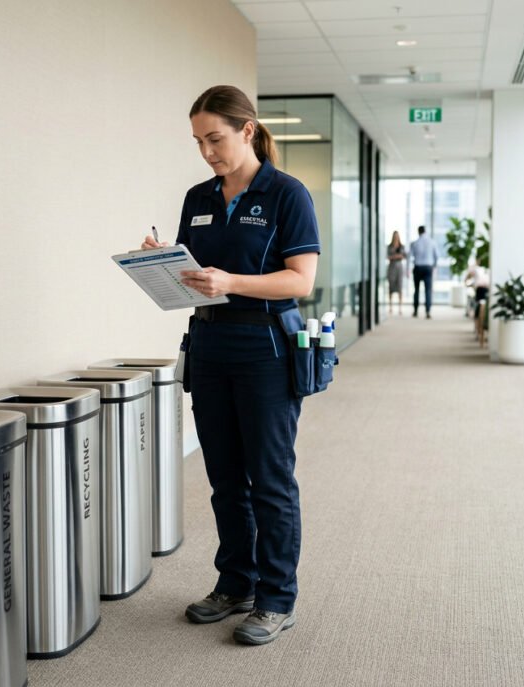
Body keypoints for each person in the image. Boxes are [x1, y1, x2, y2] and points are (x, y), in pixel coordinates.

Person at [140, 85, 319, 646]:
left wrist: (231, 281)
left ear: (247, 130)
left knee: (269, 479)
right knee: (224, 479)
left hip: (265, 348)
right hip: (210, 345)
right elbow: (194, 275)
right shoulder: (198, 197)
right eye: (198, 142)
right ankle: (236, 583)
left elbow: (300, 280)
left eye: (215, 139)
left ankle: (276, 597)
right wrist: (162, 264)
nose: (206, 152)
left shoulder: (287, 194)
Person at [409, 225, 441, 318]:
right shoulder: (432, 242)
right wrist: (434, 266)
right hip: (428, 267)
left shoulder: (415, 243)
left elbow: (410, 256)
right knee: (428, 290)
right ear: (425, 231)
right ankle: (428, 311)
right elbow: (437, 256)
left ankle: (415, 311)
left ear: (418, 232)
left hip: (418, 267)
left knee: (416, 290)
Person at [386, 231, 406, 314]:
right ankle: (390, 307)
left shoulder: (402, 246)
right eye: (395, 236)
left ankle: (400, 308)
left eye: (397, 236)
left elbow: (405, 255)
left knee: (399, 287)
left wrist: (399, 256)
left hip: (399, 268)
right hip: (392, 267)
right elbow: (387, 256)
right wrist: (393, 256)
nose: (396, 237)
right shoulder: (389, 246)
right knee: (391, 287)